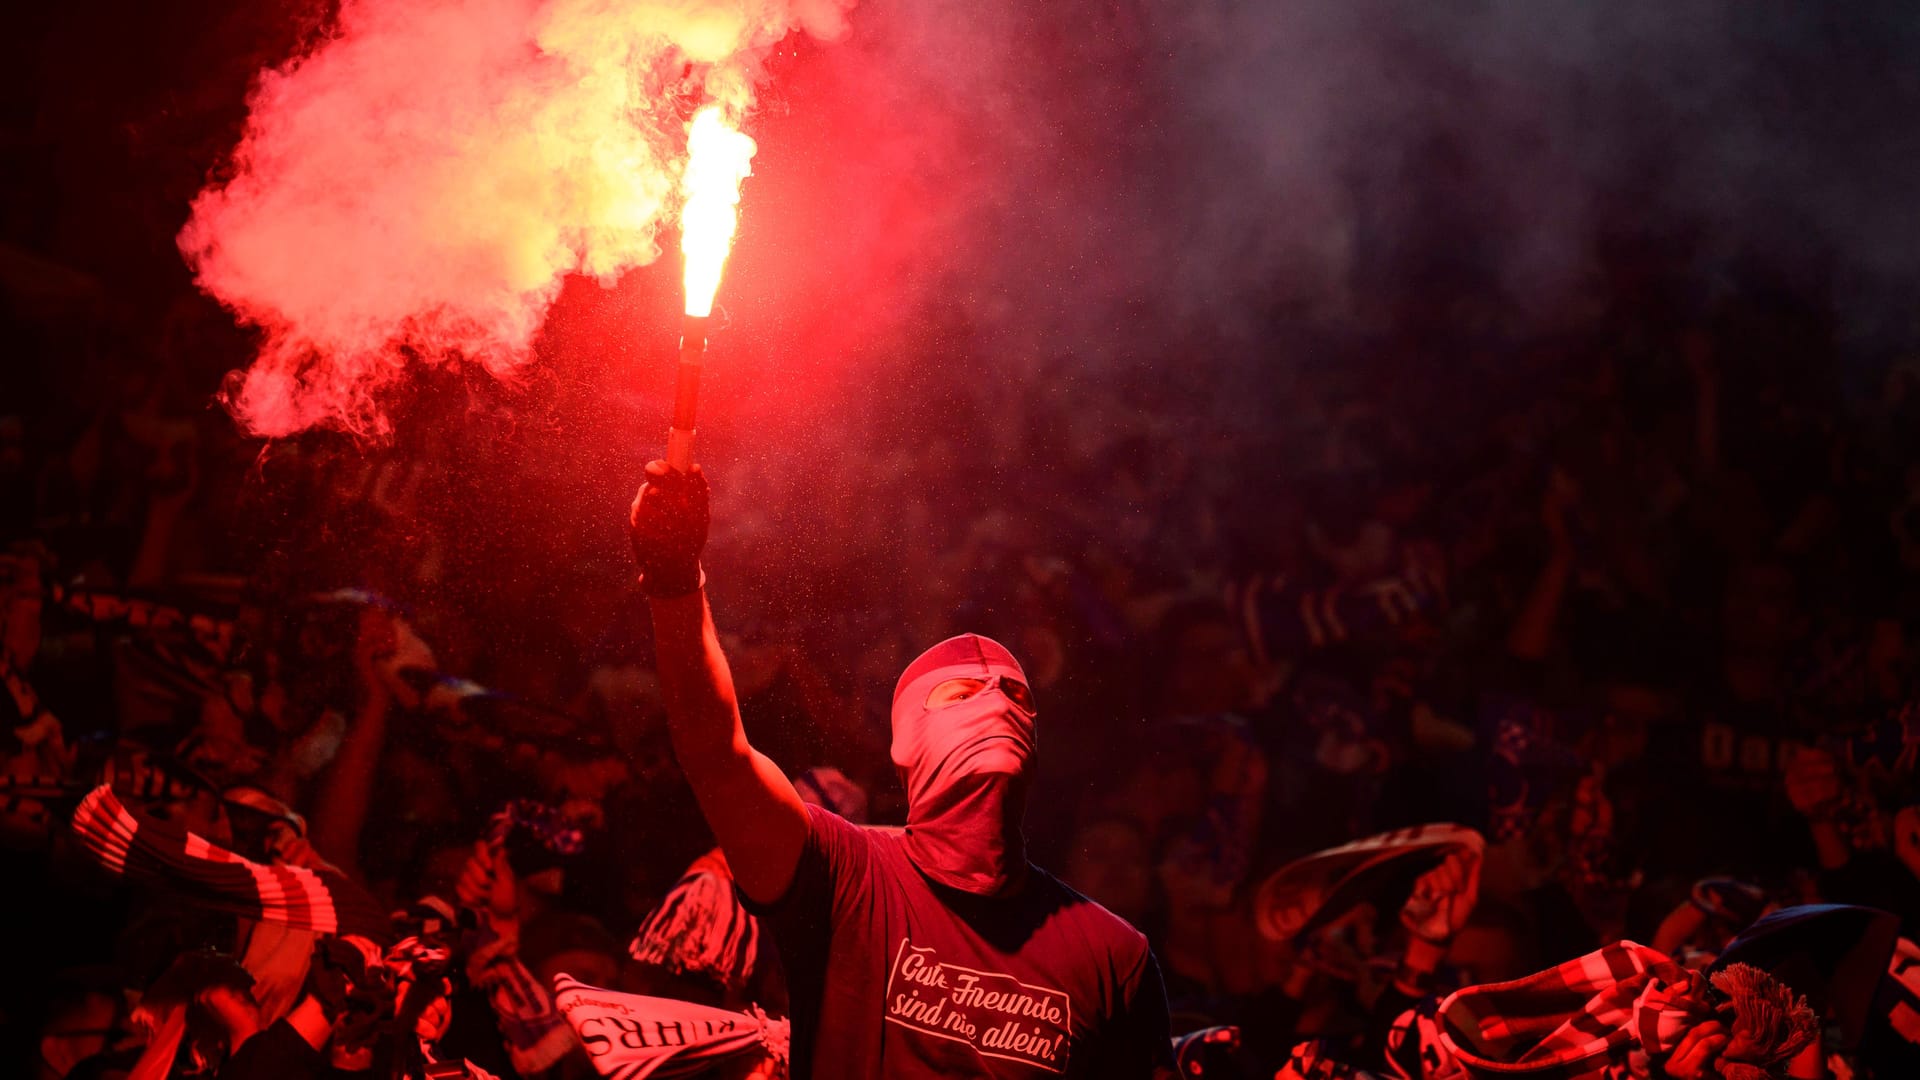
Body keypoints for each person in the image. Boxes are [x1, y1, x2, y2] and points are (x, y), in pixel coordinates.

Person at [628, 460, 1176, 1078]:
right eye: (963, 692)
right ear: (905, 741)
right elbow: (715, 754)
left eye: (1015, 695)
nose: (996, 701)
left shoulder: (1111, 952)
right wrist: (676, 580)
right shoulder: (845, 872)